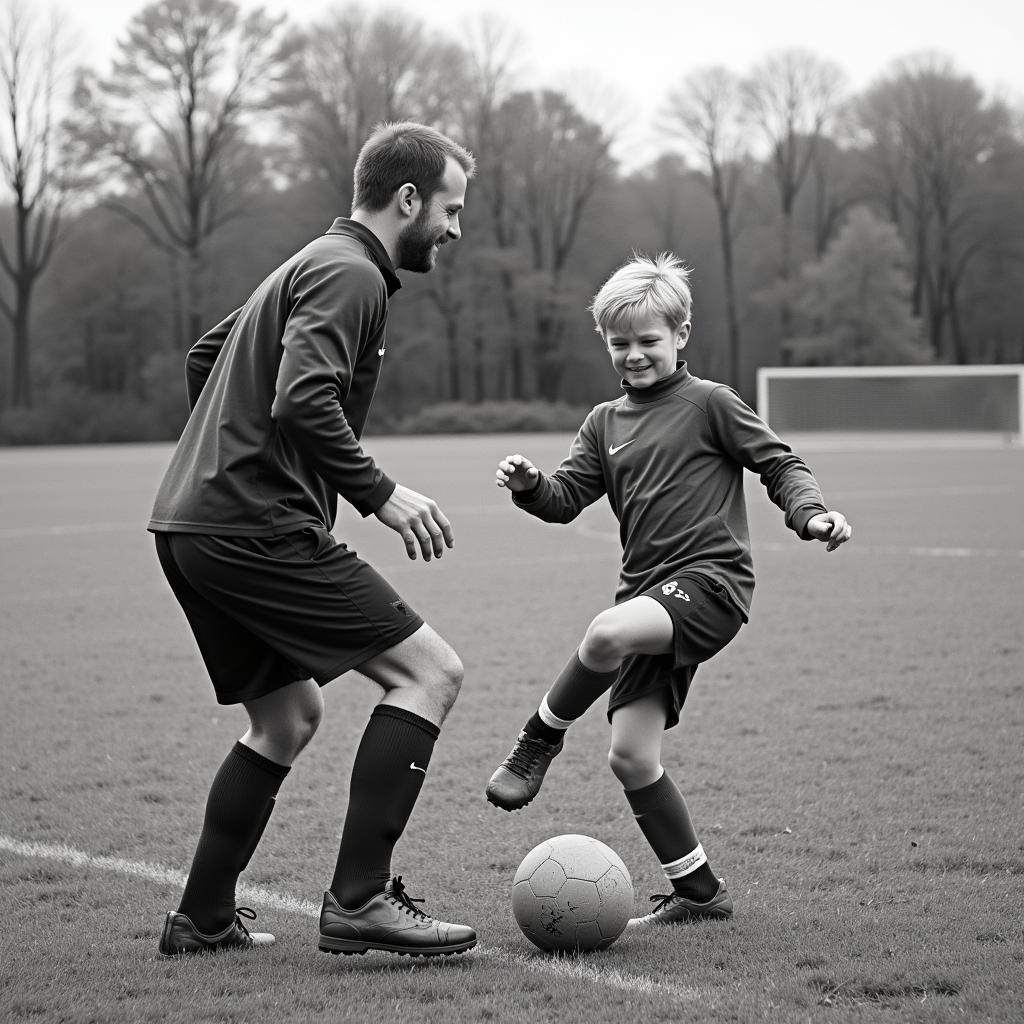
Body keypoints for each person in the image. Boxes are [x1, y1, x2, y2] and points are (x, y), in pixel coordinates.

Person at [150, 121, 478, 958]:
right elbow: (301, 399)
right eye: (449, 208)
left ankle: (202, 919)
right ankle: (360, 899)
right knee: (430, 672)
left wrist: (225, 460)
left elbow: (206, 356)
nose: (454, 229)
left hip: (194, 524)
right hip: (251, 526)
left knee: (288, 717)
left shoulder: (313, 259)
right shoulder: (353, 273)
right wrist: (378, 494)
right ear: (407, 199)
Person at [485, 252, 852, 929]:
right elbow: (566, 499)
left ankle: (538, 739)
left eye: (648, 341)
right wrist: (531, 487)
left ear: (681, 334)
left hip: (712, 584)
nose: (634, 354)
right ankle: (700, 892)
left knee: (604, 634)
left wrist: (811, 515)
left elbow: (780, 464)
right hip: (648, 598)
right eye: (620, 343)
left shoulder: (711, 403)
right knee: (631, 756)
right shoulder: (603, 422)